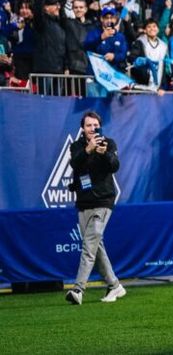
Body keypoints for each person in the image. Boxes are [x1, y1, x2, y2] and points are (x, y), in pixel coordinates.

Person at [65, 112, 126, 305]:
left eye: (95, 125)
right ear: (83, 128)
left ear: (99, 126)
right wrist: (88, 150)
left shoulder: (109, 143)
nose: (92, 128)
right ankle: (115, 285)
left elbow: (115, 165)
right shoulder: (76, 146)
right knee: (96, 246)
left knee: (89, 246)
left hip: (103, 203)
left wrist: (105, 154)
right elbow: (74, 164)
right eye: (89, 125)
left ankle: (78, 289)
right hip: (83, 204)